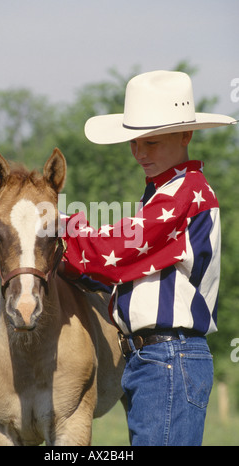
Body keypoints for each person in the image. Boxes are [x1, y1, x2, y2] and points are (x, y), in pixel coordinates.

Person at [58, 70, 237, 446]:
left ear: (185, 135)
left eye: (151, 143)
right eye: (134, 142)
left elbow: (121, 249)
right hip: (154, 359)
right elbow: (123, 273)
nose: (140, 153)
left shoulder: (187, 193)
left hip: (169, 357)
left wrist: (61, 226)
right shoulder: (162, 195)